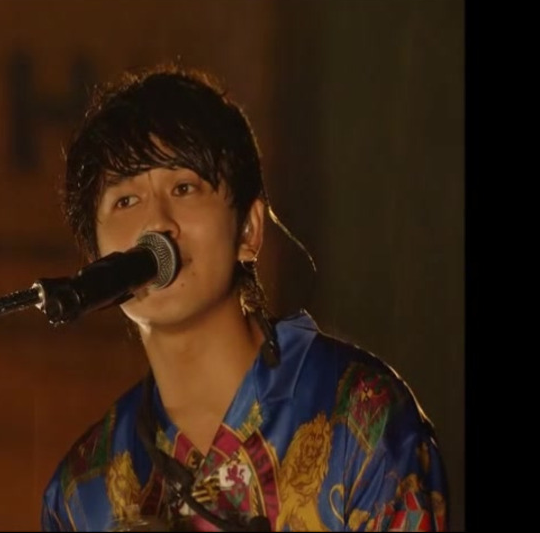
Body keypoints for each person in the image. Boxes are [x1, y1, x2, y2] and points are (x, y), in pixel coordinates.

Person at [39, 64, 449, 532]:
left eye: (184, 188)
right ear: (97, 259)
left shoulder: (360, 414)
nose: (157, 223)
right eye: (126, 201)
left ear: (249, 230)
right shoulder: (83, 490)